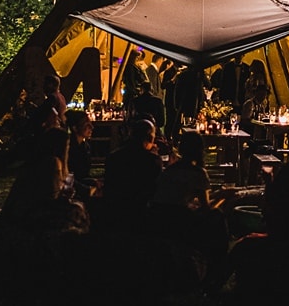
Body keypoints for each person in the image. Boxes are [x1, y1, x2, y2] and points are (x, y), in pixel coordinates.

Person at [151, 130, 231, 281]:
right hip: (179, 221)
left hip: (159, 217)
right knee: (217, 217)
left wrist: (216, 194)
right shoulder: (197, 173)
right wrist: (223, 197)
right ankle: (217, 268)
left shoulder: (170, 170)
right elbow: (206, 208)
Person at [1, 127, 87, 231]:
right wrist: (65, 196)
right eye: (67, 145)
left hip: (18, 208)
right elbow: (50, 197)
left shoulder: (37, 161)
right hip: (28, 212)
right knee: (77, 209)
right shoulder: (53, 162)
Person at [97, 118, 163, 232]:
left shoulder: (114, 156)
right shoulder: (152, 160)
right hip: (141, 210)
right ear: (150, 138)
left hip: (114, 208)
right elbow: (157, 188)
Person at [64, 110, 95, 195]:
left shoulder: (85, 146)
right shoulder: (68, 149)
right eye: (86, 124)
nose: (91, 127)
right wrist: (87, 190)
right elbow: (67, 177)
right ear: (75, 128)